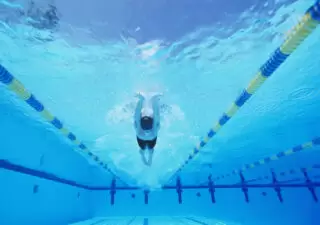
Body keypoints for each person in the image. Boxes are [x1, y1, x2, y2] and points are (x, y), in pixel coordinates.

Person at [134, 92, 162, 166]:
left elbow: (137, 117)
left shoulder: (141, 133)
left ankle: (149, 100)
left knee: (137, 122)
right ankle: (153, 101)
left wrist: (141, 100)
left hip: (144, 137)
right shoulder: (151, 133)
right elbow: (156, 118)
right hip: (148, 137)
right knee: (157, 122)